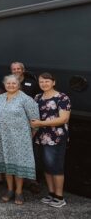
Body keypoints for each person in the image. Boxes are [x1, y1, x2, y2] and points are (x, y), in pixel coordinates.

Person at [0, 75, 40, 205]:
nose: (11, 85)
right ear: (4, 84)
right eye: (8, 83)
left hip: (20, 138)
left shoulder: (26, 99)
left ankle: (19, 191)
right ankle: (10, 189)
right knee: (7, 163)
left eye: (14, 83)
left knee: (18, 164)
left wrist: (29, 136)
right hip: (1, 137)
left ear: (19, 84)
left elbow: (35, 120)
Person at [30, 73, 71, 208]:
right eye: (41, 82)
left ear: (53, 82)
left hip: (56, 138)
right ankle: (51, 193)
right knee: (46, 166)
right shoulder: (37, 97)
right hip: (41, 137)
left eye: (47, 81)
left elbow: (63, 119)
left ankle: (59, 197)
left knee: (56, 167)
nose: (44, 84)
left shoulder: (62, 97)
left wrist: (40, 124)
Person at [10, 61, 43, 194]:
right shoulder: (10, 83)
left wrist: (34, 122)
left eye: (19, 68)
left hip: (29, 122)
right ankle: (17, 179)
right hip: (14, 122)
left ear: (23, 70)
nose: (16, 70)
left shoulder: (32, 83)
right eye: (14, 69)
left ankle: (32, 180)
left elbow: (38, 103)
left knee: (31, 151)